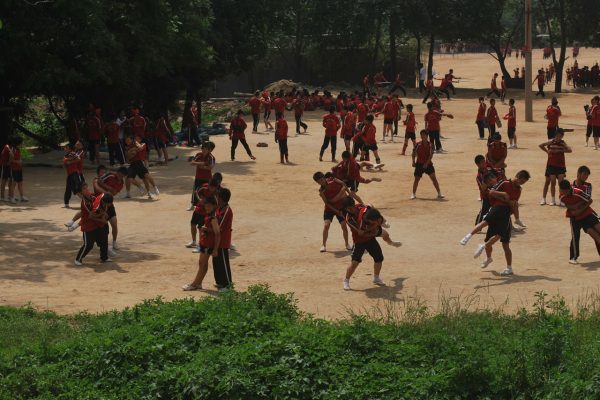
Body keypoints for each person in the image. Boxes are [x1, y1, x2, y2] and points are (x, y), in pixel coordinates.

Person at [463, 171, 530, 276]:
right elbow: (491, 193)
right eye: (521, 180)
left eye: (523, 182)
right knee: (489, 237)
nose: (521, 183)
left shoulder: (519, 189)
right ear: (517, 176)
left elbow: (514, 203)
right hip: (496, 210)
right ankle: (488, 257)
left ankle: (509, 267)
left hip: (505, 215)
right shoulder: (504, 183)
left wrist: (512, 209)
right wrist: (504, 196)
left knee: (505, 244)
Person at [342, 201, 400, 290]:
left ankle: (376, 278)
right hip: (359, 241)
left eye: (353, 206)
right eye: (350, 208)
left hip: (370, 238)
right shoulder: (350, 219)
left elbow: (371, 208)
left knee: (379, 258)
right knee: (355, 263)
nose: (353, 209)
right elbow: (361, 234)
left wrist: (381, 222)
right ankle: (346, 280)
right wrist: (374, 230)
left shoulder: (365, 210)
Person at [182, 196, 221, 291]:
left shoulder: (213, 218)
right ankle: (198, 283)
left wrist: (215, 249)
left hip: (208, 244)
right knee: (202, 263)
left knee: (202, 264)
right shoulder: (209, 215)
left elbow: (217, 233)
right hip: (205, 243)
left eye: (209, 206)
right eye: (206, 206)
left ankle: (194, 284)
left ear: (214, 206)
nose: (206, 208)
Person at [559, 180, 600, 264]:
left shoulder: (578, 192)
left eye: (565, 191)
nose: (564, 193)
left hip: (588, 214)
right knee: (575, 236)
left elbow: (590, 200)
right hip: (575, 218)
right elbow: (569, 206)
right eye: (562, 191)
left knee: (597, 234)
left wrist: (580, 209)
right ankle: (573, 257)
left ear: (570, 188)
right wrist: (577, 207)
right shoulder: (561, 196)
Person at [313, 171, 352, 252]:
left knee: (344, 225)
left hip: (341, 207)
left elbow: (344, 185)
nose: (321, 182)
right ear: (317, 182)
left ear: (324, 177)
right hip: (329, 209)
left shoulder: (334, 180)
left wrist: (349, 195)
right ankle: (323, 245)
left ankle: (347, 244)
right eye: (319, 181)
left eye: (321, 179)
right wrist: (336, 211)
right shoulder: (321, 191)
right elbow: (326, 203)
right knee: (326, 225)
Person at [74, 188, 113, 266]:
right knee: (88, 244)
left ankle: (104, 257)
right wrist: (102, 219)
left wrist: (104, 213)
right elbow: (91, 216)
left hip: (98, 224)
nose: (110, 205)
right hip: (89, 225)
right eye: (109, 204)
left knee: (104, 239)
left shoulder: (104, 196)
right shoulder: (96, 206)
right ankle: (78, 259)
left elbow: (104, 210)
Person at [187, 174, 221, 252]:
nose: (211, 188)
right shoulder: (204, 187)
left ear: (216, 187)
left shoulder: (217, 193)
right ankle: (194, 241)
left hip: (206, 212)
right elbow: (196, 192)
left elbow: (217, 205)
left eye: (213, 187)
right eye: (210, 186)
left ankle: (200, 245)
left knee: (200, 228)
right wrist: (200, 200)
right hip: (198, 209)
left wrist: (210, 208)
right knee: (192, 224)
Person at [540, 129, 571, 206]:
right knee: (552, 181)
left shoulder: (563, 143)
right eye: (557, 136)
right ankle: (552, 199)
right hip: (551, 165)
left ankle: (562, 200)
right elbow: (540, 145)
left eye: (560, 136)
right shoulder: (551, 142)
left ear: (562, 136)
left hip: (561, 166)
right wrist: (547, 152)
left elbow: (570, 150)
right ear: (555, 135)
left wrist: (561, 150)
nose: (558, 137)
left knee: (561, 183)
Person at [411, 130, 444, 200]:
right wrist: (413, 162)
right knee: (416, 179)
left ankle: (439, 193)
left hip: (428, 164)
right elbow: (413, 153)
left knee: (434, 179)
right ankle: (413, 194)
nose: (422, 136)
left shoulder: (431, 145)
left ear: (427, 136)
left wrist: (426, 163)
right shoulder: (418, 144)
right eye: (421, 135)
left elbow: (431, 156)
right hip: (419, 164)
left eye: (424, 135)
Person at [212, 188, 233, 290]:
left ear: (221, 199)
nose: (216, 198)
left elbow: (219, 225)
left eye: (217, 197)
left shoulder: (226, 210)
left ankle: (228, 285)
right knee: (217, 262)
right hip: (216, 240)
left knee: (224, 263)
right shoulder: (219, 208)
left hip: (223, 240)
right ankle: (220, 282)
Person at [187, 141, 215, 211]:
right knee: (196, 191)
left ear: (209, 150)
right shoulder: (199, 154)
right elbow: (192, 163)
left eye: (205, 149)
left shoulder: (211, 157)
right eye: (202, 149)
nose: (203, 150)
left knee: (207, 192)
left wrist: (201, 166)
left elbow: (210, 167)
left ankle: (208, 205)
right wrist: (203, 163)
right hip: (198, 177)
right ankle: (193, 205)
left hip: (207, 178)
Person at [63, 141, 85, 208]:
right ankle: (66, 203)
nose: (65, 149)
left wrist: (70, 161)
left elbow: (78, 158)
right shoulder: (72, 153)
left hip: (75, 174)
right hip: (71, 174)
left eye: (66, 148)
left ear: (69, 149)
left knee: (76, 190)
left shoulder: (72, 153)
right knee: (69, 188)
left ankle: (87, 200)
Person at [7, 136, 27, 203]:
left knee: (20, 183)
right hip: (13, 169)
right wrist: (17, 161)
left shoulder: (18, 149)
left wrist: (20, 161)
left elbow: (19, 158)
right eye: (21, 143)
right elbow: (10, 160)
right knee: (13, 183)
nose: (22, 144)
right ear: (18, 143)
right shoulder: (13, 149)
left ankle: (22, 197)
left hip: (19, 168)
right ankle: (11, 197)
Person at [0, 137, 13, 202]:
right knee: (4, 180)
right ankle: (2, 196)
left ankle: (9, 195)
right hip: (5, 166)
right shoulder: (7, 147)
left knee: (10, 180)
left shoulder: (8, 147)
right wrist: (9, 162)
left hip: (7, 166)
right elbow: (11, 155)